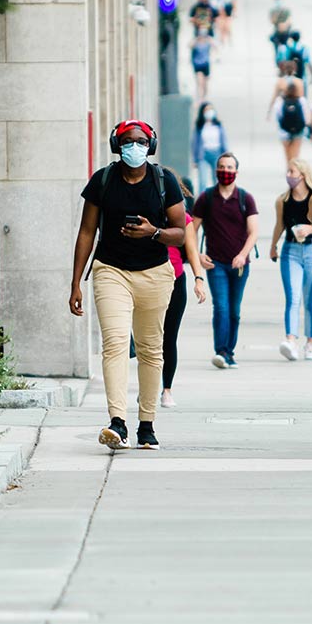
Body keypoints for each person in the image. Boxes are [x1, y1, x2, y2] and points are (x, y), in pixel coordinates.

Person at [71, 121, 196, 452]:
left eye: (141, 142)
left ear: (150, 145)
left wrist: (153, 232)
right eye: (128, 142)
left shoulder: (164, 181)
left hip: (154, 273)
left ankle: (147, 424)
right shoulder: (103, 180)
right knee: (114, 343)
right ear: (117, 144)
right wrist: (75, 283)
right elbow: (86, 232)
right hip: (111, 270)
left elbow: (180, 233)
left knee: (151, 349)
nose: (134, 147)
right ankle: (117, 422)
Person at [192, 153, 262, 369]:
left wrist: (242, 255)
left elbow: (254, 232)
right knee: (221, 307)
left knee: (234, 310)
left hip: (240, 266)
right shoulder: (206, 198)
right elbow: (190, 230)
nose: (226, 171)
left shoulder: (245, 199)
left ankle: (230, 352)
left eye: (230, 167)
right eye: (222, 167)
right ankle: (221, 351)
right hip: (216, 264)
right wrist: (197, 255)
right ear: (216, 171)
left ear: (236, 172)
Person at [160, 178, 210, 408]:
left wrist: (199, 280)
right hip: (146, 280)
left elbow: (192, 252)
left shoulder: (184, 219)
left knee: (168, 338)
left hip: (175, 281)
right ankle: (149, 386)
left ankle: (166, 390)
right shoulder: (145, 212)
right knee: (147, 340)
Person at [271, 157, 312, 362]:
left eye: (292, 172)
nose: (289, 176)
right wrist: (273, 246)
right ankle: (291, 340)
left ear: (303, 175)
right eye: (288, 172)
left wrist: (311, 229)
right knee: (293, 297)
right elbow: (280, 225)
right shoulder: (283, 200)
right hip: (290, 251)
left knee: (310, 300)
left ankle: (310, 343)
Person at [272, 78, 312, 166]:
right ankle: (294, 170)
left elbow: (278, 115)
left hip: (284, 130)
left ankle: (289, 169)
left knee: (287, 152)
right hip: (298, 130)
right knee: (295, 153)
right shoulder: (301, 100)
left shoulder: (280, 101)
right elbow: (307, 116)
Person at [191, 102, 230, 194]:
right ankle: (202, 201)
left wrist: (226, 156)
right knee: (202, 181)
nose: (209, 112)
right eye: (206, 110)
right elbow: (194, 143)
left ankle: (218, 200)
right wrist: (195, 159)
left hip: (217, 154)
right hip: (203, 154)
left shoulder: (218, 126)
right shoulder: (199, 127)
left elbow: (224, 141)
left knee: (217, 179)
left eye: (211, 109)